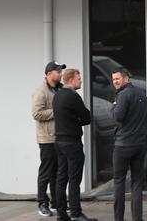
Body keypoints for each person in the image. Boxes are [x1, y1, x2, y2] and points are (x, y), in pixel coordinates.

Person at [53, 68, 96, 221]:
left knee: (61, 178)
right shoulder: (73, 96)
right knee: (74, 179)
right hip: (72, 142)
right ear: (71, 80)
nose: (81, 81)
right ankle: (76, 214)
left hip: (59, 142)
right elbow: (86, 118)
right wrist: (77, 121)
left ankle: (61, 214)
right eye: (79, 78)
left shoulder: (57, 96)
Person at [111, 67, 147, 221]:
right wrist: (142, 137)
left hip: (123, 145)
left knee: (119, 182)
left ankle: (118, 218)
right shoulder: (141, 94)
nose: (115, 82)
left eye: (117, 78)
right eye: (113, 79)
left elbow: (117, 117)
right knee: (136, 183)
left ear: (126, 78)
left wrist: (113, 105)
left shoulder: (122, 95)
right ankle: (137, 218)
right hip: (140, 145)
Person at [32, 61, 65, 217]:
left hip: (58, 137)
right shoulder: (41, 91)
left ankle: (56, 203)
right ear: (49, 74)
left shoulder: (58, 89)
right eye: (58, 71)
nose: (61, 74)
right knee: (45, 172)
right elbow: (37, 114)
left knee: (57, 172)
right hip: (46, 139)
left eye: (61, 71)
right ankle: (42, 203)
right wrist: (56, 111)